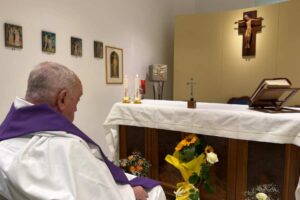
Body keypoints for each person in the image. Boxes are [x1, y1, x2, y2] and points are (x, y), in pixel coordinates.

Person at [0, 62, 166, 200]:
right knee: (155, 192)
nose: (76, 110)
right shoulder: (68, 147)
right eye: (77, 101)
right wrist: (130, 195)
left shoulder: (5, 138)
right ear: (62, 99)